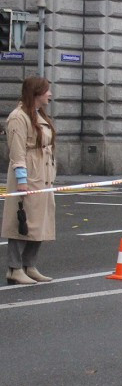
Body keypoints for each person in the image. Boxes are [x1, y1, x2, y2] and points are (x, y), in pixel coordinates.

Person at [3, 76, 57, 284]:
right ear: (35, 93)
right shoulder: (19, 117)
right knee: (21, 221)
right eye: (47, 91)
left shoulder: (37, 114)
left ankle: (29, 265)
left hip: (43, 176)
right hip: (29, 175)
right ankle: (14, 268)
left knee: (40, 222)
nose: (50, 94)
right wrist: (22, 179)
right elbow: (17, 151)